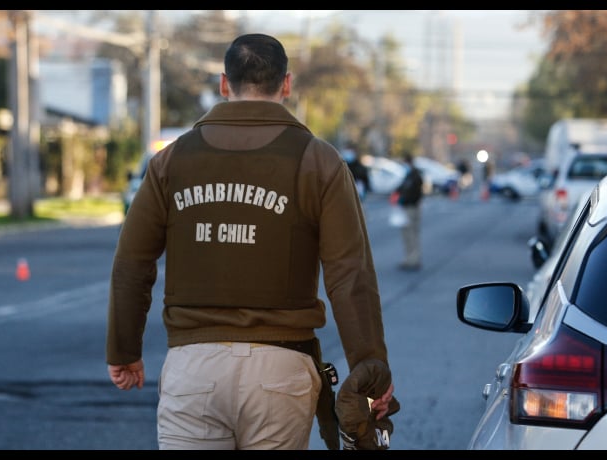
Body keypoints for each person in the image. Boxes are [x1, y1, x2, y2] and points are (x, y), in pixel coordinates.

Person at [106, 33, 397, 450]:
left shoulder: (171, 160)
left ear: (224, 84)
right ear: (287, 84)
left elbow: (132, 263)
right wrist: (371, 370)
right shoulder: (319, 160)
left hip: (193, 367)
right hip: (281, 369)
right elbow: (349, 275)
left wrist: (124, 349)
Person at [393, 153, 424, 271]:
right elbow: (401, 188)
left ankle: (414, 258)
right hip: (405, 208)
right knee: (406, 234)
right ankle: (408, 257)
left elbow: (414, 193)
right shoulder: (408, 175)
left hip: (412, 208)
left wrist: (404, 199)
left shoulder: (415, 176)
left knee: (412, 234)